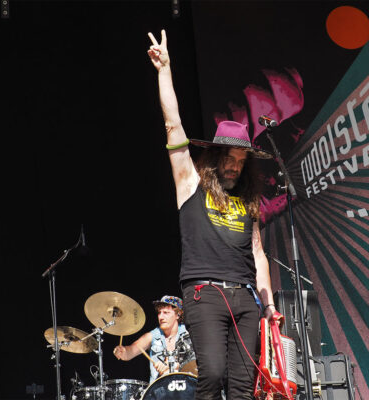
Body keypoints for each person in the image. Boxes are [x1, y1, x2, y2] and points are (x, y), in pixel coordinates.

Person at [146, 30, 277, 399]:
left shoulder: (247, 200)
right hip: (204, 294)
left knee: (242, 385)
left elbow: (258, 253)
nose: (234, 167)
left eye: (240, 161)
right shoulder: (190, 183)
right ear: (217, 158)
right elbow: (173, 125)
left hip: (245, 299)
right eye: (229, 159)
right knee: (213, 374)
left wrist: (268, 305)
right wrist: (164, 71)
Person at [113, 295, 194, 382]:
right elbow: (131, 351)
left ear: (178, 315)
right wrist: (123, 352)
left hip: (186, 387)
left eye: (166, 313)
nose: (161, 317)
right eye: (159, 312)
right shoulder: (153, 335)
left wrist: (173, 365)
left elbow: (197, 362)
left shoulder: (190, 333)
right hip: (158, 391)